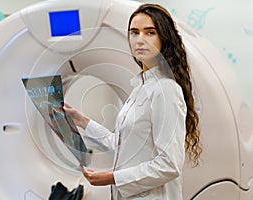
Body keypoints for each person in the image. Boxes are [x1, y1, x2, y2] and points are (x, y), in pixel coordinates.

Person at [63, 4, 202, 200]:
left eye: (150, 32)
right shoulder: (141, 88)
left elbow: (169, 164)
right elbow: (121, 144)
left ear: (164, 38)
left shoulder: (166, 90)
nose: (140, 40)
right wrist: (82, 121)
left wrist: (112, 177)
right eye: (134, 33)